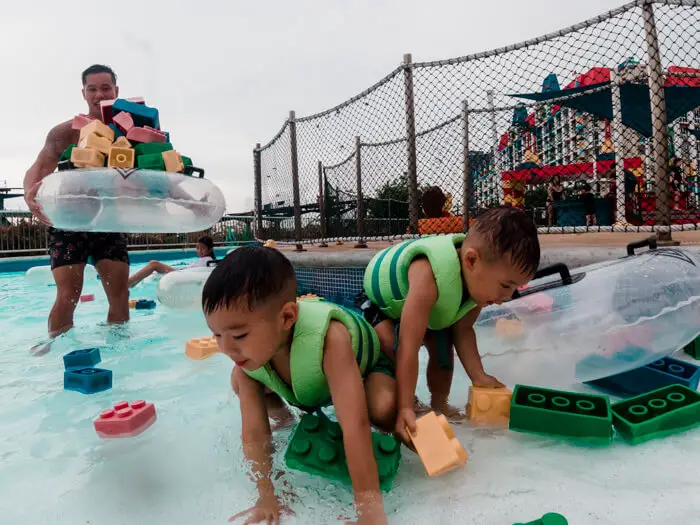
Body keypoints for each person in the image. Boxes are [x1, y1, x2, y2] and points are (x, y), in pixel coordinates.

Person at [203, 247, 396, 524]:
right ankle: (285, 417)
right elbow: (255, 435)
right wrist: (266, 495)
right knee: (238, 379)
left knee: (382, 409)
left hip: (367, 369)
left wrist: (369, 508)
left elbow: (355, 425)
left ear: (286, 318)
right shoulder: (245, 360)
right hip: (306, 385)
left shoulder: (331, 340)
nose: (227, 349)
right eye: (217, 336)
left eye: (239, 335)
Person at [361, 206, 540, 445]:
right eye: (506, 285)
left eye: (515, 289)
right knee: (391, 345)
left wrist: (479, 376)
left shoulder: (478, 287)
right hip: (381, 303)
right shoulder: (429, 276)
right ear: (471, 260)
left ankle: (440, 403)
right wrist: (404, 408)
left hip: (431, 308)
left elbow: (464, 331)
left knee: (444, 352)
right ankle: (407, 399)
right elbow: (409, 346)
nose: (507, 296)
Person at [24, 64, 130, 345]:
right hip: (69, 220)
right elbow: (39, 168)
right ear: (83, 93)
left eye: (105, 88)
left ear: (116, 91)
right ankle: (57, 348)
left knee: (119, 293)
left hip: (110, 219)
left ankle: (118, 350)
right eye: (92, 88)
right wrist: (30, 197)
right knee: (68, 293)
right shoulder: (64, 133)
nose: (99, 94)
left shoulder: (130, 131)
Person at [127, 235, 216, 288]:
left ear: (210, 249)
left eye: (203, 248)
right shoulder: (207, 260)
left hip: (181, 275)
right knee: (153, 264)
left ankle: (128, 282)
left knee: (154, 264)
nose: (199, 251)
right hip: (182, 273)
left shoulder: (208, 260)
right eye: (198, 248)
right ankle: (133, 282)